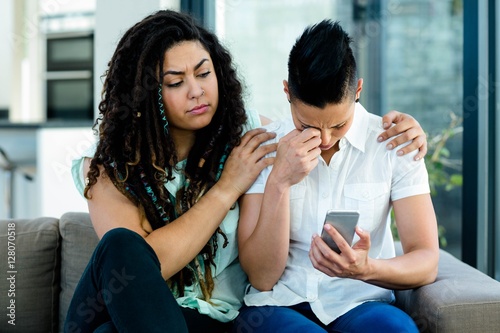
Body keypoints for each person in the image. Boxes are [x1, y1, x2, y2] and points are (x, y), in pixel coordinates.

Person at [64, 10, 428, 333]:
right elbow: (142, 270)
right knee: (119, 246)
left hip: (212, 320)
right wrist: (228, 187)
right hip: (153, 308)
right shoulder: (108, 167)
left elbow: (319, 117)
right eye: (176, 82)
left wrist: (408, 128)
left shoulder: (248, 135)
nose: (197, 91)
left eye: (204, 73)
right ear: (146, 94)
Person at [235, 20, 439, 333]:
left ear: (357, 89)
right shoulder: (265, 146)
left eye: (339, 125)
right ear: (287, 92)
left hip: (361, 302)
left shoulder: (395, 144)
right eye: (308, 126)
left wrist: (366, 269)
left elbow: (426, 259)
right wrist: (279, 181)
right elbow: (262, 278)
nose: (326, 139)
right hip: (278, 305)